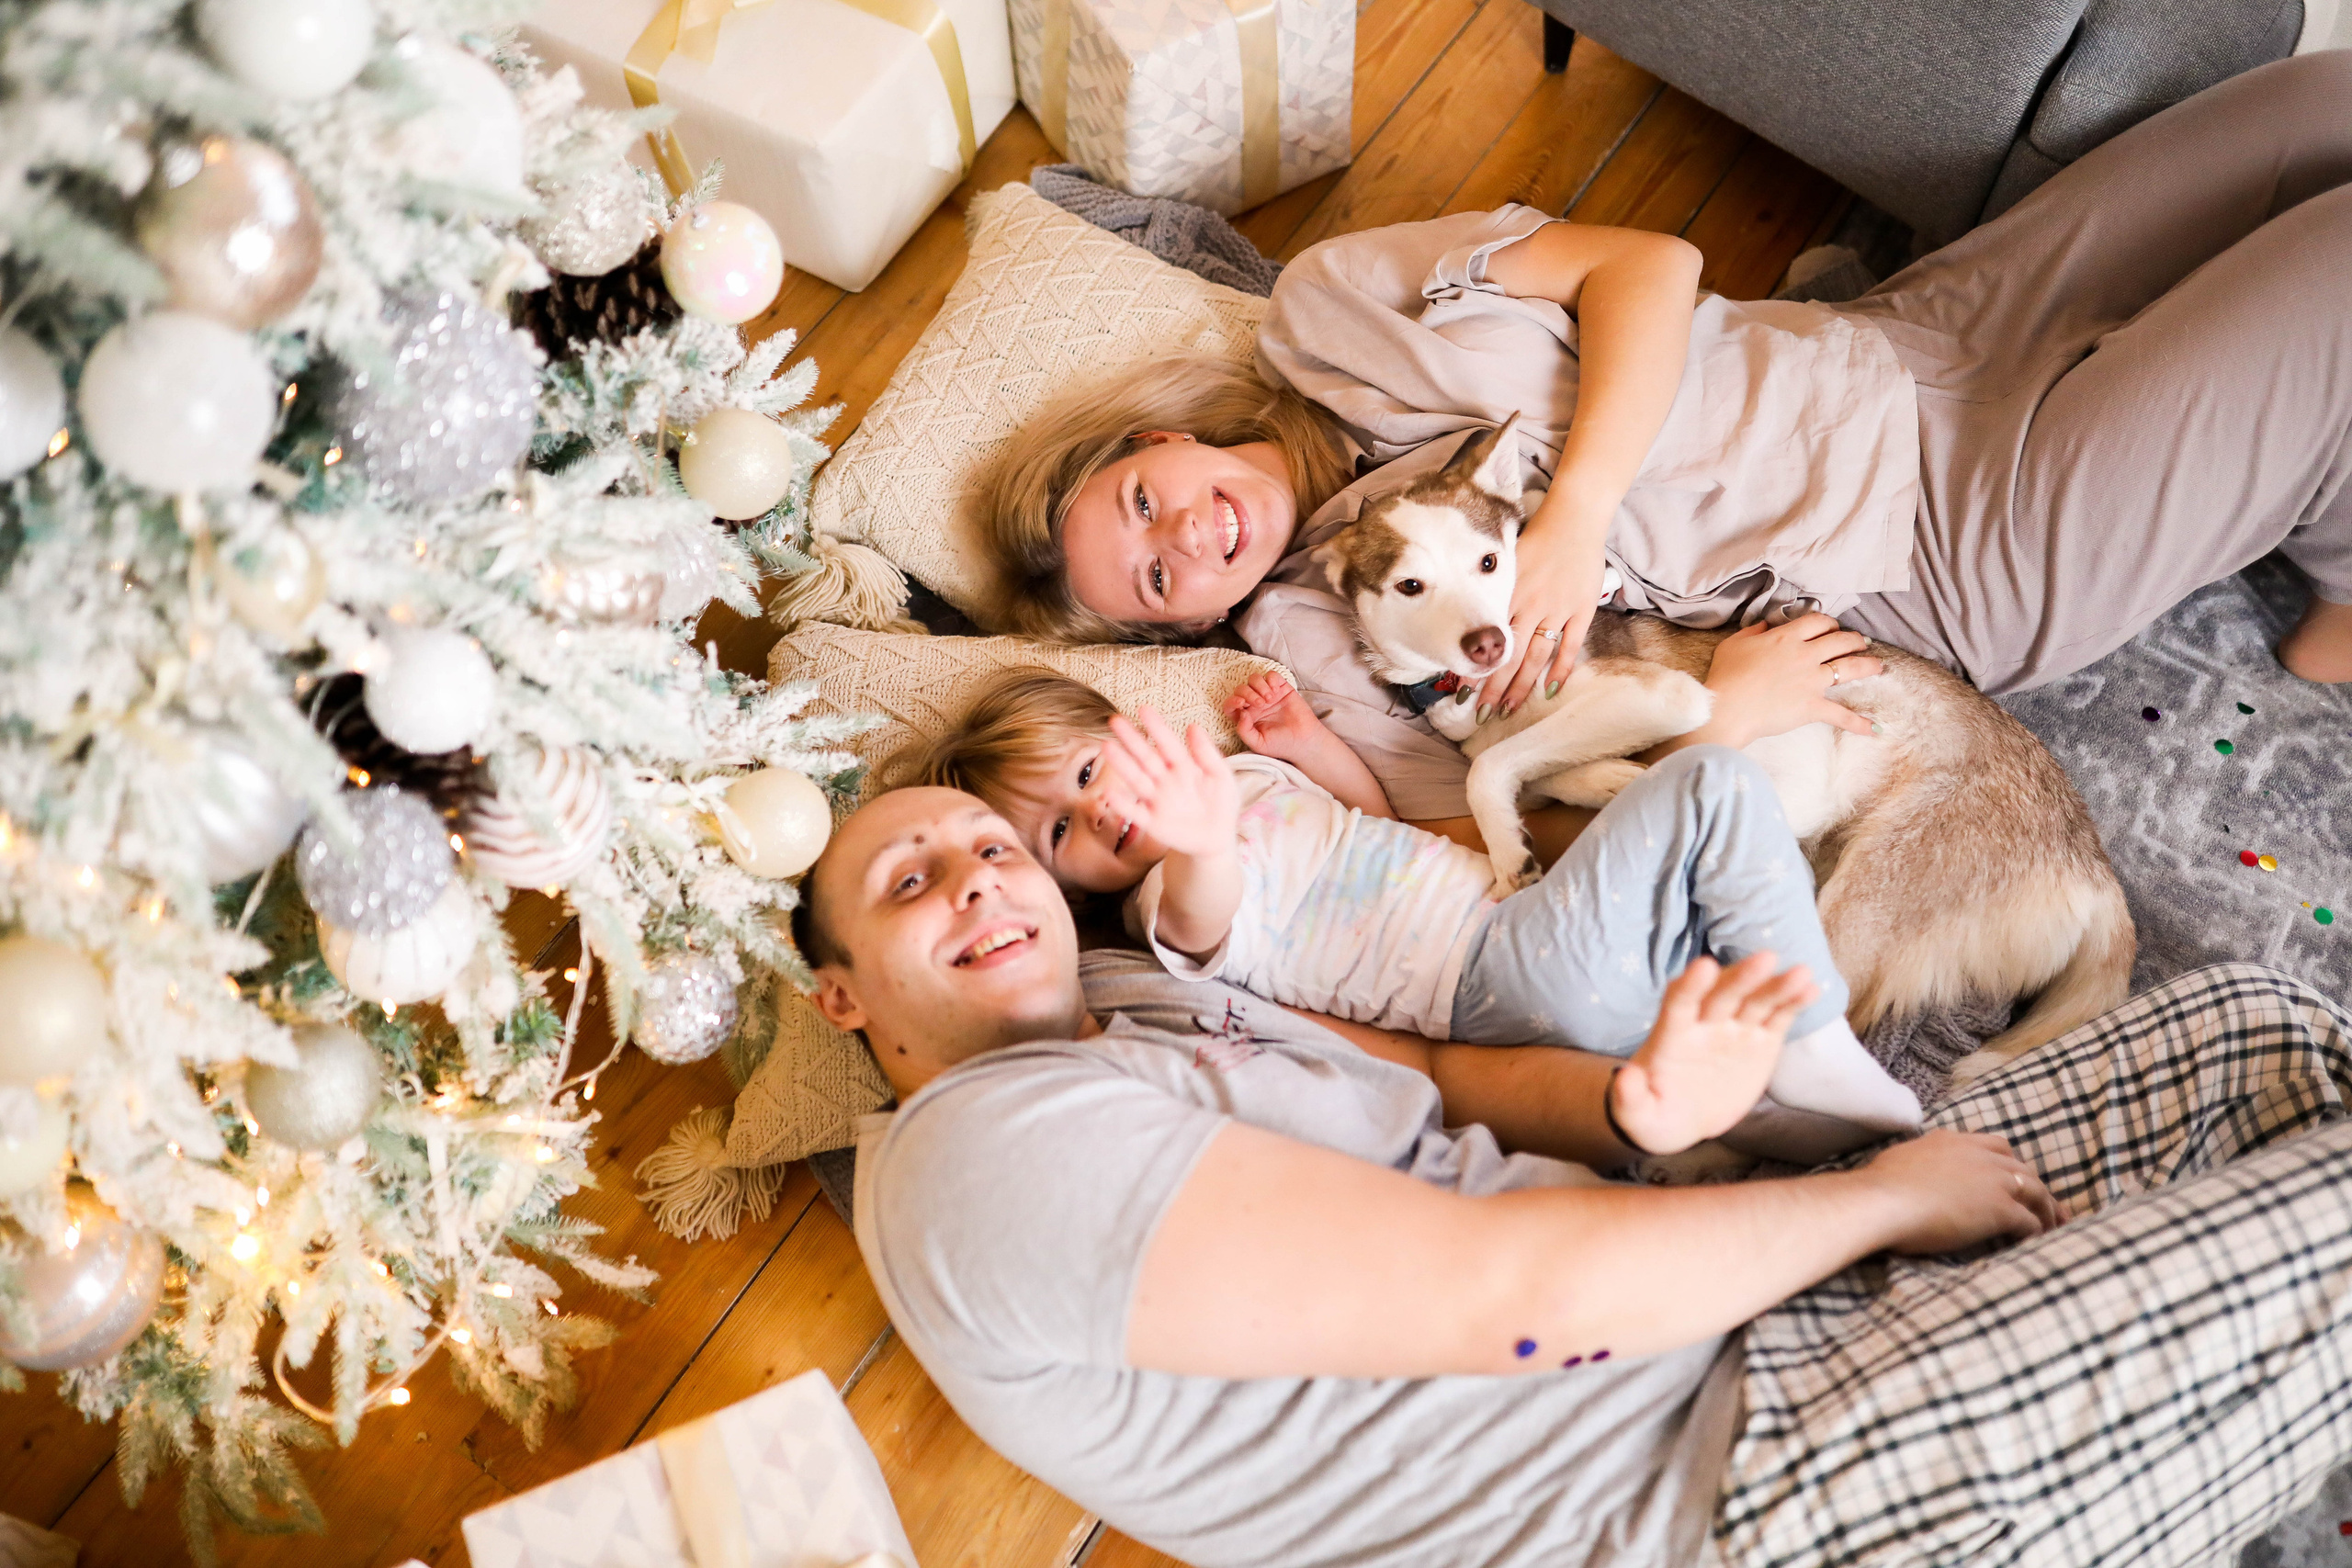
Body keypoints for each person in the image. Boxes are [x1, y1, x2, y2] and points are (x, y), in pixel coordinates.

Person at [801, 784, 2352, 1568]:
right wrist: (1885, 1196)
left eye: (989, 845)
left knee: (2255, 1035)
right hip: (1729, 1493)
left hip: (1747, 1288)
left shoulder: (1133, 995)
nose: (979, 878)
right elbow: (1520, 1303)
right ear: (845, 998)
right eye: (910, 882)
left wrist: (1647, 1105)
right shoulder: (972, 1165)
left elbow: (1460, 1085)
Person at [977, 52, 2352, 829]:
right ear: (1186, 625)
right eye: (1159, 579)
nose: (1187, 535)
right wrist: (1721, 719)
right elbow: (1472, 818)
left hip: (1911, 340)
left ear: (1161, 437)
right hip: (1937, 550)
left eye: (1146, 499)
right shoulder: (1315, 643)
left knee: (2323, 105)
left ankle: (2326, 509)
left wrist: (1574, 516)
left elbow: (1649, 264)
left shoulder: (1332, 309)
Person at [904, 666, 1921, 1151]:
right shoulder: (1165, 903)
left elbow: (1371, 821)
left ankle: (1831, 1125)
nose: (1103, 811)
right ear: (1066, 888)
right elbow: (1210, 915)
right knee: (1711, 785)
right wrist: (1199, 835)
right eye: (1060, 835)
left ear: (1136, 734)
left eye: (1093, 772)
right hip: (1494, 971)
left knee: (1717, 954)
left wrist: (1302, 743)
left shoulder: (1247, 780)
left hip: (1541, 950)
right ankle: (1813, 1030)